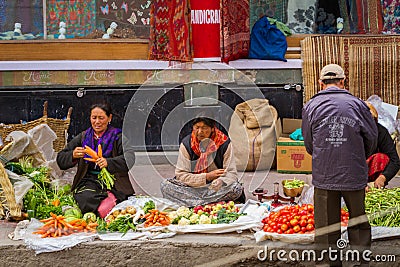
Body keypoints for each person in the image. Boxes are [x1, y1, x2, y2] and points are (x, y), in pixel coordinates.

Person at [302, 64, 378, 266]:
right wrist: (358, 157)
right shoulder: (358, 105)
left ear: (320, 83)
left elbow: (308, 143)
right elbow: (371, 137)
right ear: (343, 82)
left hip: (324, 174)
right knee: (358, 221)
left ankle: (328, 263)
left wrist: (322, 155)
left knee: (326, 225)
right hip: (353, 172)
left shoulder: (311, 106)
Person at [57, 103, 134, 217]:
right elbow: (60, 158)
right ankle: (105, 206)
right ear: (90, 118)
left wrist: (109, 162)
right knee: (85, 198)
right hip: (90, 180)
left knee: (111, 203)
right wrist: (73, 155)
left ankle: (109, 202)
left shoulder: (117, 136)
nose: (97, 122)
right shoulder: (83, 137)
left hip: (113, 181)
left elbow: (130, 158)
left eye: (101, 118)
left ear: (109, 118)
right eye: (94, 118)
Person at [160, 116, 244, 207]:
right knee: (166, 185)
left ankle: (192, 203)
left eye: (204, 128)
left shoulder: (224, 143)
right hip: (192, 188)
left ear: (212, 129)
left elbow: (231, 173)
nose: (200, 132)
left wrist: (221, 181)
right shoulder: (187, 144)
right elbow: (181, 175)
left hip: (214, 189)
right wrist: (206, 177)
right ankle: (210, 203)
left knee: (236, 188)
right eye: (197, 127)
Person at [365, 102, 400, 190]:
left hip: (369, 170)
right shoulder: (351, 133)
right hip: (352, 171)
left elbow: (394, 161)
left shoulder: (380, 131)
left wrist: (383, 177)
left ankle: (375, 185)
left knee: (381, 158)